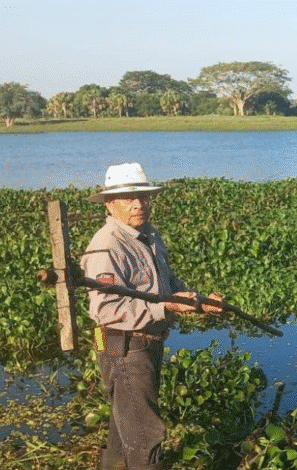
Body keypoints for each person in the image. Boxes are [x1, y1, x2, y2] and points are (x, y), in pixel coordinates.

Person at [81, 162, 223, 470]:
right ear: (109, 204)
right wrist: (166, 307)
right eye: (128, 198)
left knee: (125, 432)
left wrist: (198, 301)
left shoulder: (150, 235)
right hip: (123, 346)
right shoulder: (106, 246)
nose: (139, 204)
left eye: (144, 196)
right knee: (145, 437)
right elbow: (105, 310)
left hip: (147, 343)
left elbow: (167, 285)